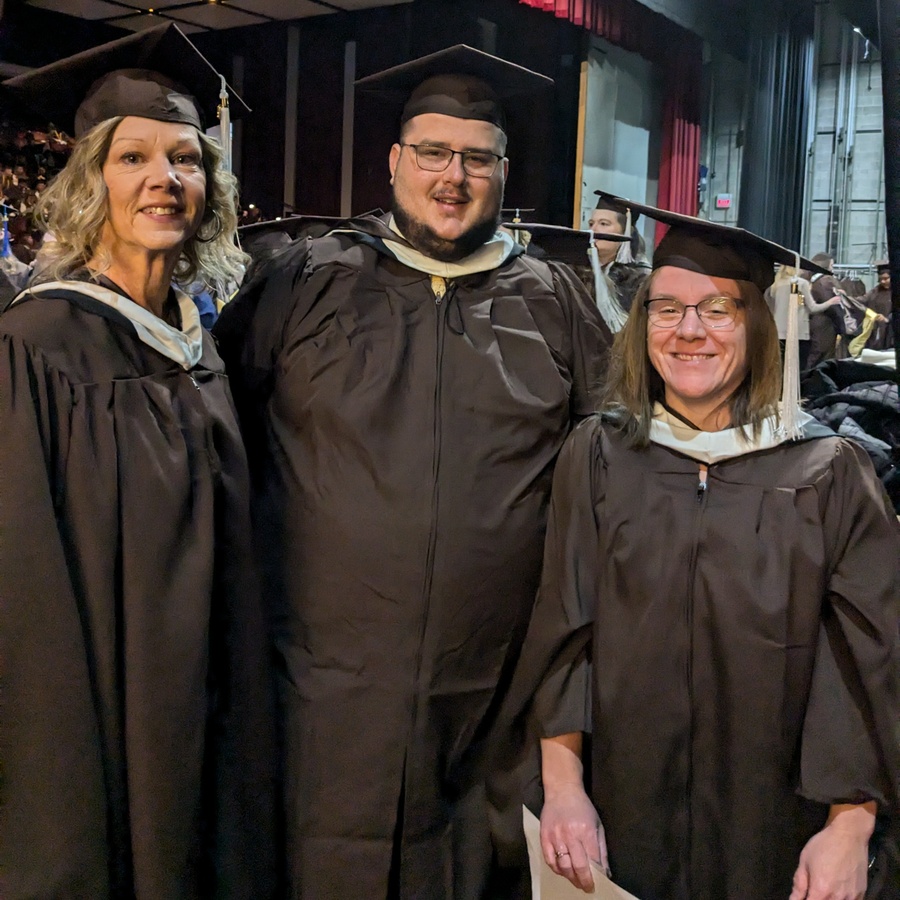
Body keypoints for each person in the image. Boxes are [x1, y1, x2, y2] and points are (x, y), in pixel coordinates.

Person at [214, 45, 612, 899]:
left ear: (504, 171)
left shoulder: (553, 300)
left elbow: (611, 481)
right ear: (395, 160)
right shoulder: (307, 282)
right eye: (432, 152)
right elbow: (214, 445)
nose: (452, 176)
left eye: (475, 158)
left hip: (489, 706)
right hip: (319, 695)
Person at [507, 196, 900, 899]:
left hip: (777, 827)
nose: (690, 332)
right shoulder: (598, 455)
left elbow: (865, 661)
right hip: (622, 816)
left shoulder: (828, 472)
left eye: (718, 309)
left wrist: (850, 825)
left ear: (758, 324)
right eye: (667, 309)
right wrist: (563, 788)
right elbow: (565, 630)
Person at [0, 24, 275, 898]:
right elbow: (23, 583)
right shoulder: (38, 345)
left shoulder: (201, 347)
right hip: (101, 715)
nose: (165, 180)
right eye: (133, 159)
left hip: (208, 709)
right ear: (91, 184)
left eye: (186, 159)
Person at [764, 263, 842, 370]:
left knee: (780, 367)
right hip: (798, 333)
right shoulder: (801, 284)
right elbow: (813, 308)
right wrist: (830, 302)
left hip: (779, 333)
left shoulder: (775, 285)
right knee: (798, 367)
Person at [587, 193, 650, 317]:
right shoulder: (580, 269)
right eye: (591, 223)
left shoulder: (641, 279)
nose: (593, 230)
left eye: (603, 224)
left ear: (625, 232)